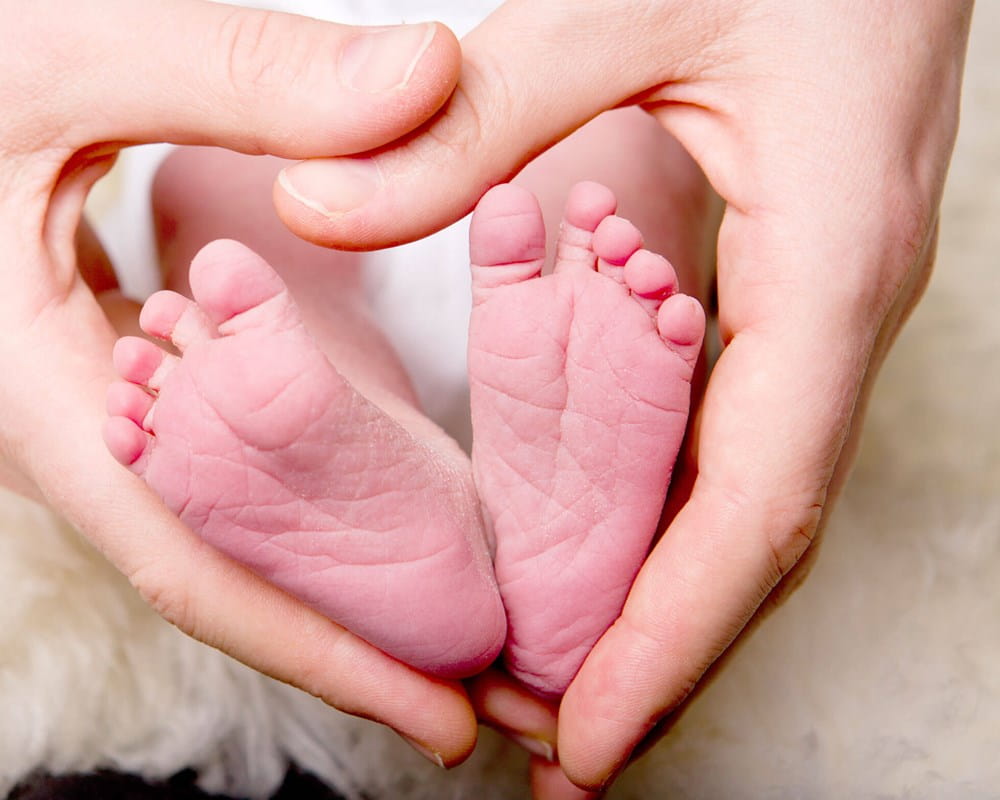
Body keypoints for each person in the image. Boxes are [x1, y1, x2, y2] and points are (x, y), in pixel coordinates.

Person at [1, 0, 974, 797]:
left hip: (548, 62)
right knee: (604, 176)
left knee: (234, 208)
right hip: (431, 87)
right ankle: (401, 445)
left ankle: (389, 425)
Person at [101, 135, 704, 694]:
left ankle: (391, 443)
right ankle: (419, 469)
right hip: (534, 125)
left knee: (224, 185)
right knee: (618, 156)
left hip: (301, 132)